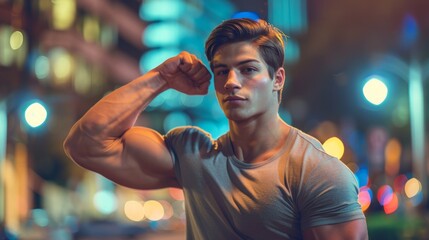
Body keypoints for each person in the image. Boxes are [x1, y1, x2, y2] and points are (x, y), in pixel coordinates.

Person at [64, 18, 368, 239]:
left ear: (277, 79)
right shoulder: (194, 157)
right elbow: (86, 144)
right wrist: (160, 78)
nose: (232, 82)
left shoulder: (316, 171)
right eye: (222, 71)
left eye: (248, 69)